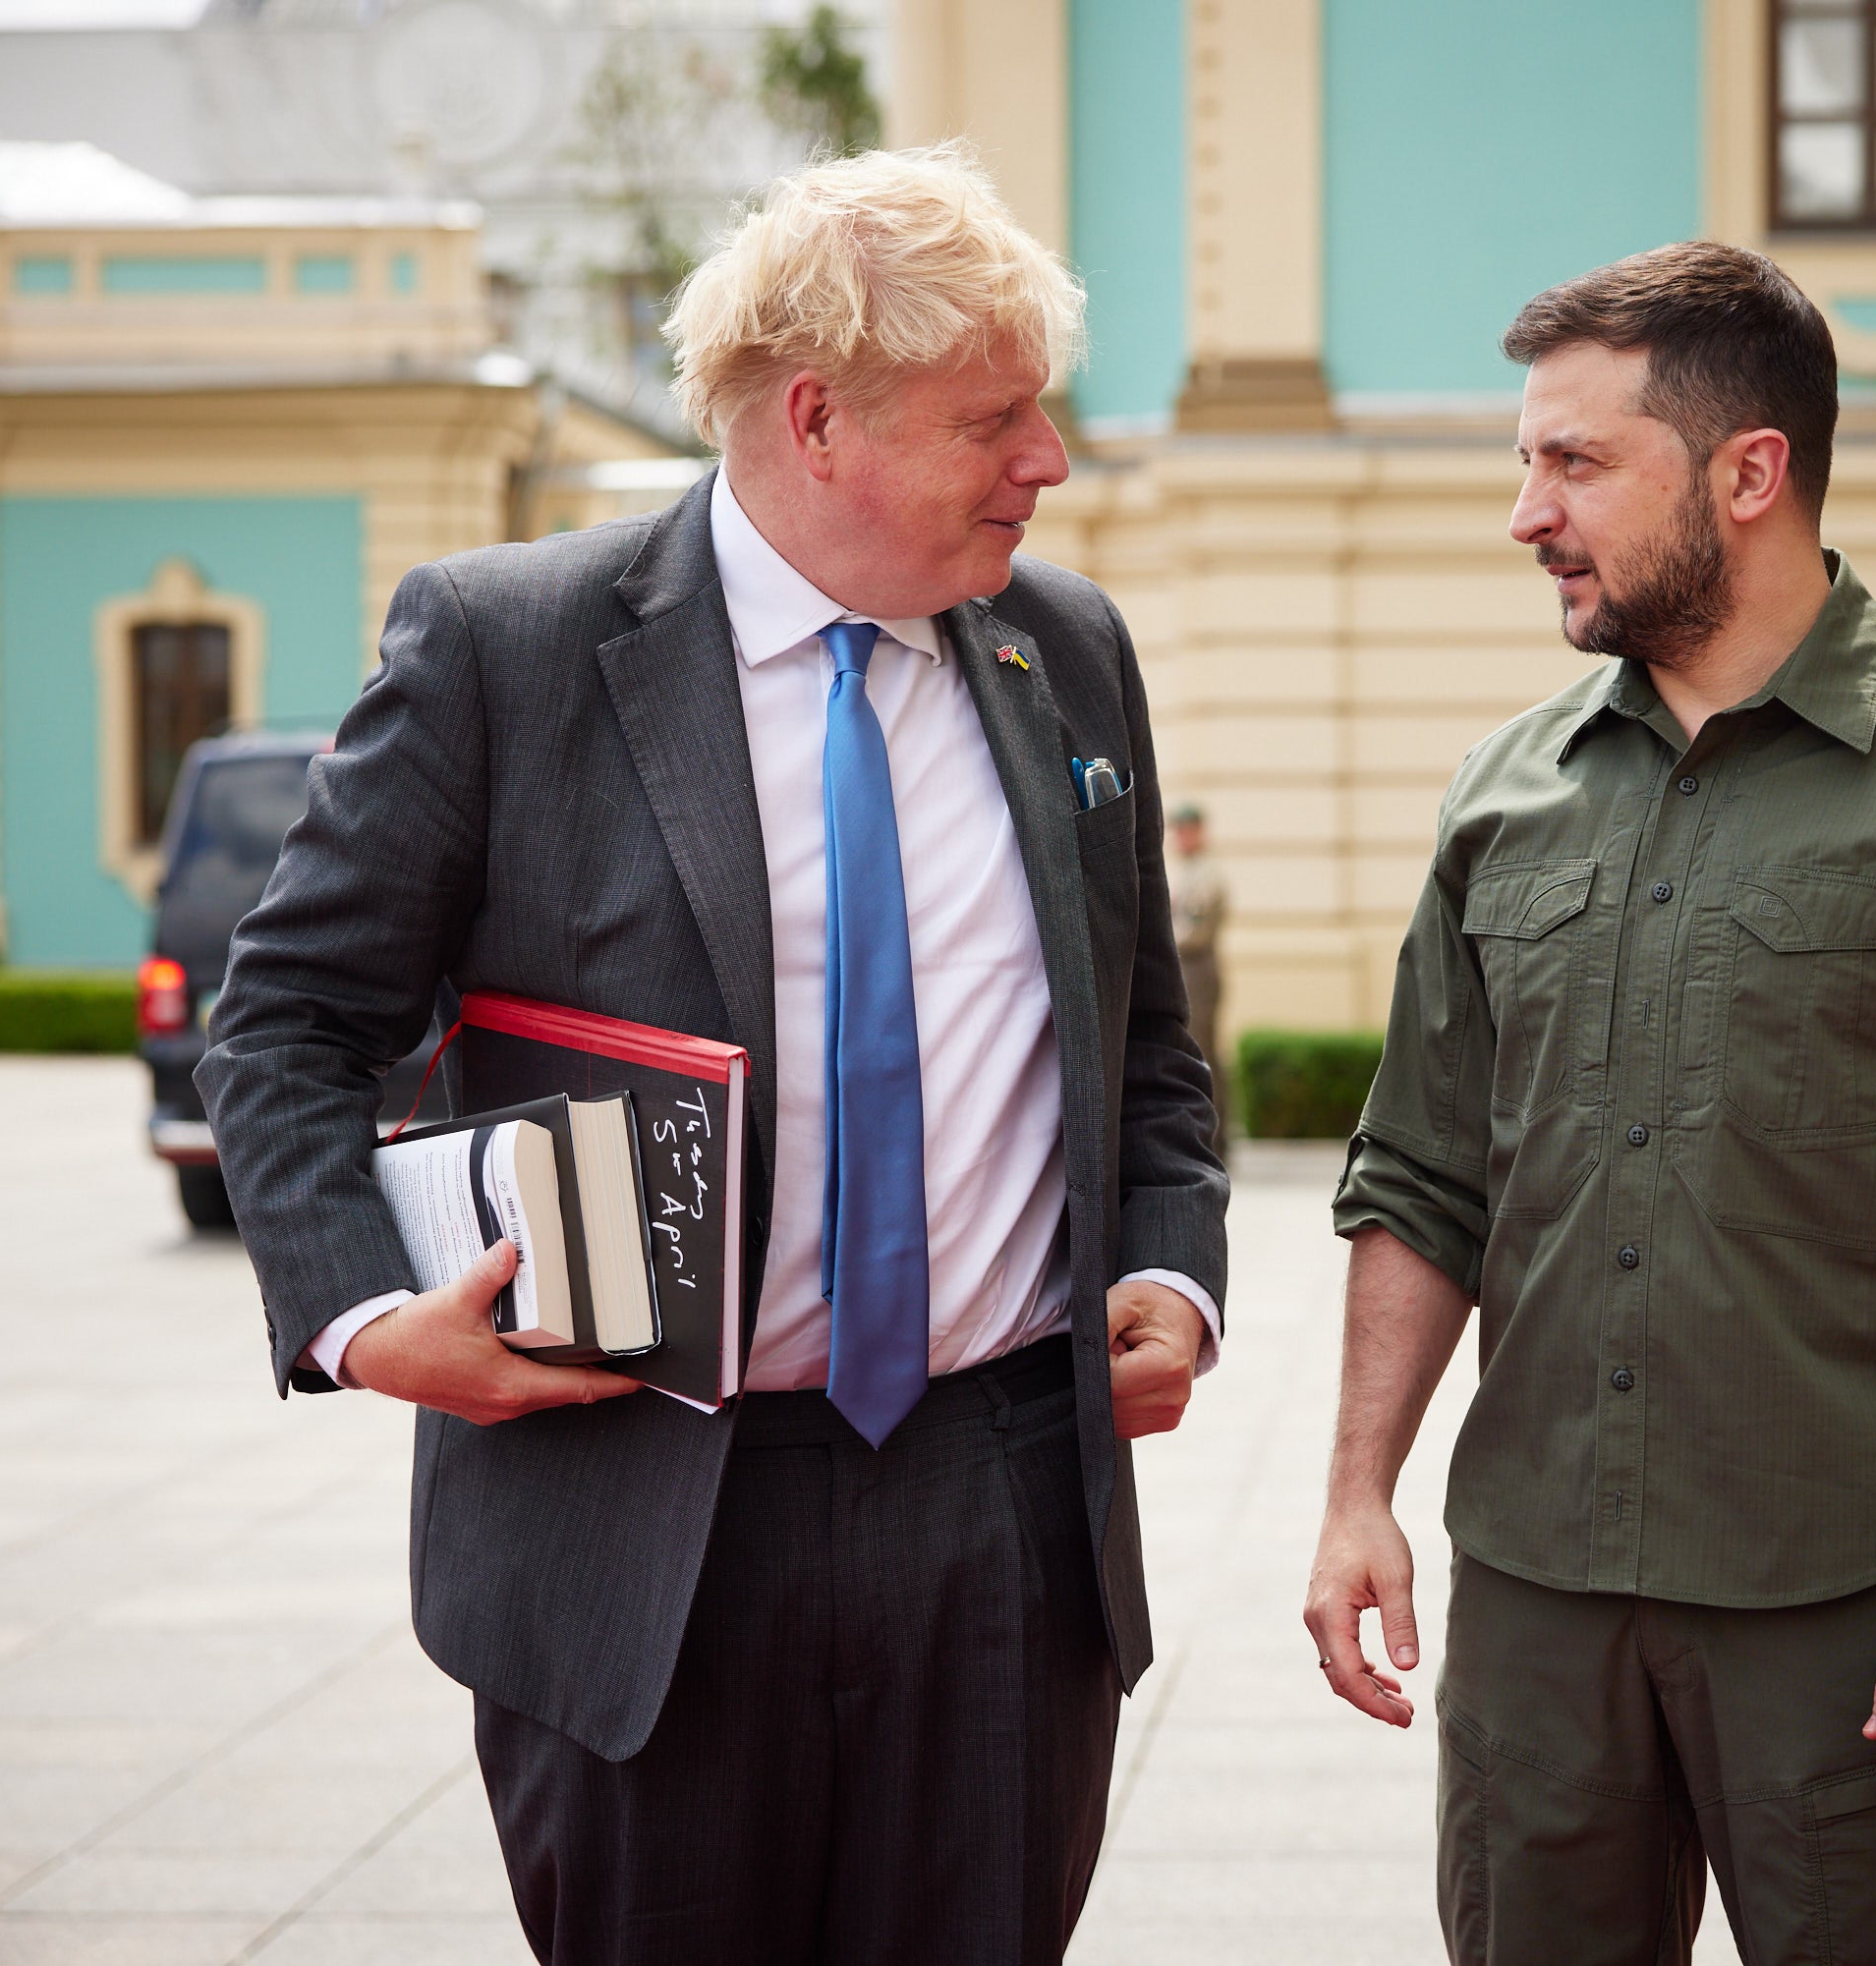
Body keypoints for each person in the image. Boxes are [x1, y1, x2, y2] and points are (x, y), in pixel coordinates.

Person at [200, 146, 1225, 1965]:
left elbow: (1149, 1047)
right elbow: (287, 1020)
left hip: (1002, 1512)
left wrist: (1165, 1268)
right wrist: (362, 1320)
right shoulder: (506, 647)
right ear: (819, 419)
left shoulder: (1068, 649)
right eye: (997, 419)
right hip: (640, 1521)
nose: (1047, 461)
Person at [1301, 242, 1876, 1965]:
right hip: (1539, 1596)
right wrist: (1356, 1491)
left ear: (1747, 472)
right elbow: (1419, 1172)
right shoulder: (1504, 797)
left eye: (1574, 462)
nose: (1527, 511)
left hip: (1849, 1615)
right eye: (1525, 461)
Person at [1165, 800, 1228, 1143]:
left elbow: (1194, 932)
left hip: (1198, 967)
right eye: (1178, 830)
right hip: (1184, 967)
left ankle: (1214, 1140)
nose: (1181, 837)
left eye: (1187, 830)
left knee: (1204, 1052)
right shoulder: (1183, 870)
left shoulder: (1206, 874)